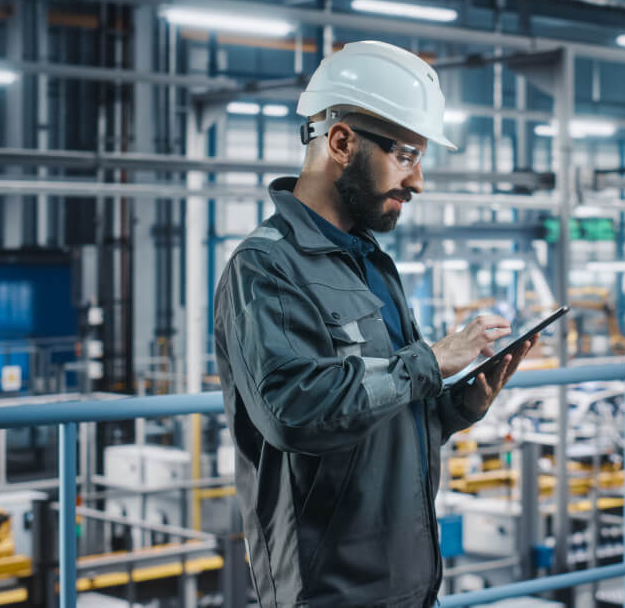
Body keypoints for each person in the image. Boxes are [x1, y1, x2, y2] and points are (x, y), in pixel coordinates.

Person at [213, 40, 537, 607]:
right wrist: (429, 363)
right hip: (328, 591)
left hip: (409, 581)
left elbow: (380, 413)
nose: (417, 183)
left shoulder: (371, 264)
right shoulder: (265, 267)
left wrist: (454, 406)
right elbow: (293, 412)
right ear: (341, 142)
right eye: (406, 155)